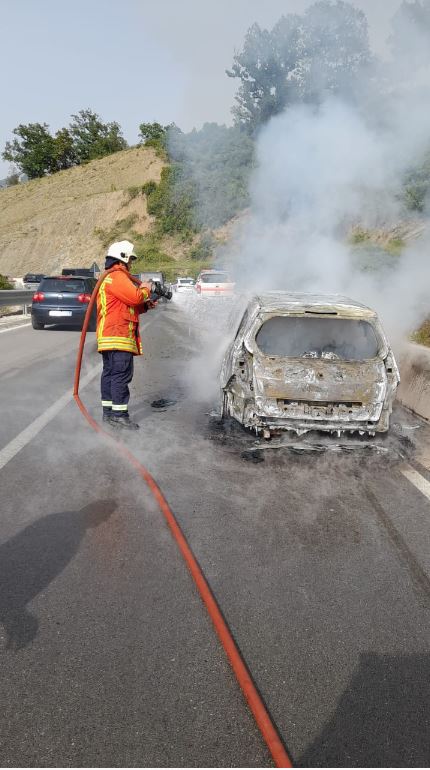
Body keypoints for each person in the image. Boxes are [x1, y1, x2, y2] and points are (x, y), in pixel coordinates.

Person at [96, 240, 153, 430]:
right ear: (123, 258)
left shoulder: (109, 277)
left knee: (110, 374)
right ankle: (119, 416)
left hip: (109, 336)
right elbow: (135, 297)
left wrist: (146, 304)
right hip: (118, 335)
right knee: (121, 375)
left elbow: (127, 305)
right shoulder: (117, 276)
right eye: (130, 260)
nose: (131, 264)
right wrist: (146, 288)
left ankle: (109, 414)